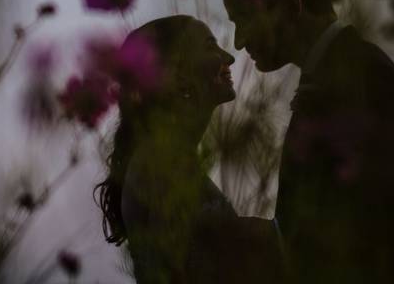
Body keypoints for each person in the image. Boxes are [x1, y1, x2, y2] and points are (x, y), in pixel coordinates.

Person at [222, 0, 394, 284]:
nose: (239, 41)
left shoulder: (364, 74)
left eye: (243, 18)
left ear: (289, 5)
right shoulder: (330, 74)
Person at [95, 15, 285, 284]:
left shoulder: (166, 158)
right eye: (210, 47)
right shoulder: (158, 164)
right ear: (176, 74)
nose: (228, 59)